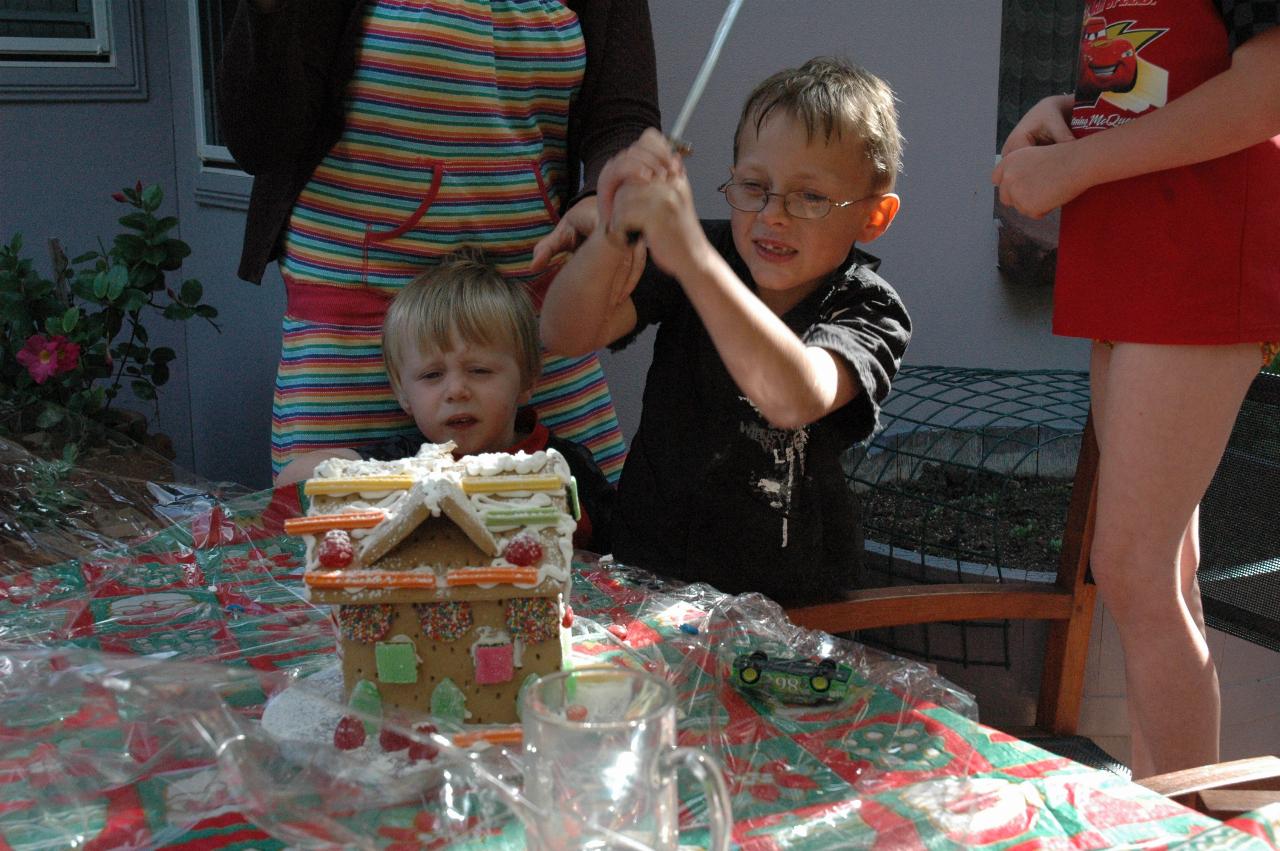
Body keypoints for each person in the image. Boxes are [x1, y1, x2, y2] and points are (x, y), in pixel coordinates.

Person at [993, 4, 1280, 778]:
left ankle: (1186, 829)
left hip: (1199, 251)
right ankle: (1168, 808)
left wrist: (1074, 166)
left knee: (1132, 565)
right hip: (1129, 248)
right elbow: (1146, 88)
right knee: (1162, 574)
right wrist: (1059, 116)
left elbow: (1265, 95)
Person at [216, 0, 660, 483]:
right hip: (352, 335)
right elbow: (257, 140)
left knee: (572, 542)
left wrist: (605, 195)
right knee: (343, 542)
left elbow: (621, 117)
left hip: (530, 330)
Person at [540, 57, 911, 606]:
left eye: (810, 196)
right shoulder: (707, 253)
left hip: (786, 613)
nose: (772, 214)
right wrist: (615, 233)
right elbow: (563, 333)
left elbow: (793, 396)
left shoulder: (869, 308)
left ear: (873, 217)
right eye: (754, 185)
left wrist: (691, 258)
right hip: (648, 579)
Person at [276, 249, 613, 553]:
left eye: (479, 370)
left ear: (526, 380)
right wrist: (398, 488)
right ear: (403, 394)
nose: (456, 391)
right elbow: (292, 478)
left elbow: (619, 558)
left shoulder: (563, 466)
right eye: (432, 376)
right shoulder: (401, 462)